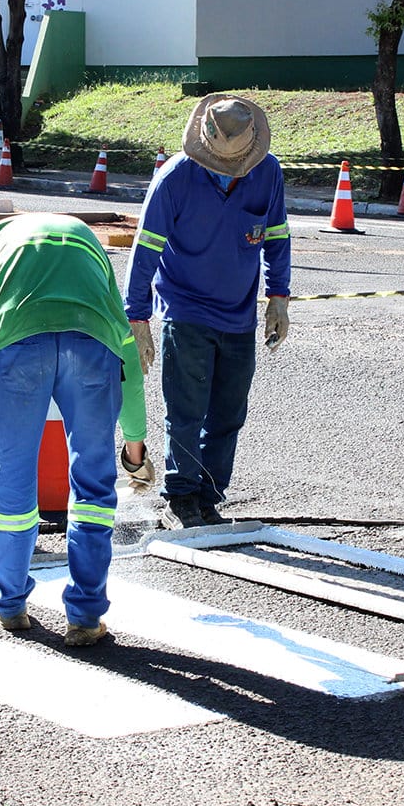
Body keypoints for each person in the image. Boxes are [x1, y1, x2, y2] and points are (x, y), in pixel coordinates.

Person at [0, 213, 150, 647]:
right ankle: (85, 615)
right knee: (94, 486)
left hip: (17, 347)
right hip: (92, 344)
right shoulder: (89, 243)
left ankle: (8, 604)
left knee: (12, 477)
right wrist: (135, 445)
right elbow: (128, 361)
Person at [126, 94, 290, 529]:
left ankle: (209, 495)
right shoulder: (174, 178)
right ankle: (180, 497)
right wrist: (137, 318)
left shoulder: (267, 172)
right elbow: (144, 250)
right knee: (186, 409)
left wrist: (279, 297)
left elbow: (276, 237)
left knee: (229, 413)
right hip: (186, 308)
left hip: (239, 314)